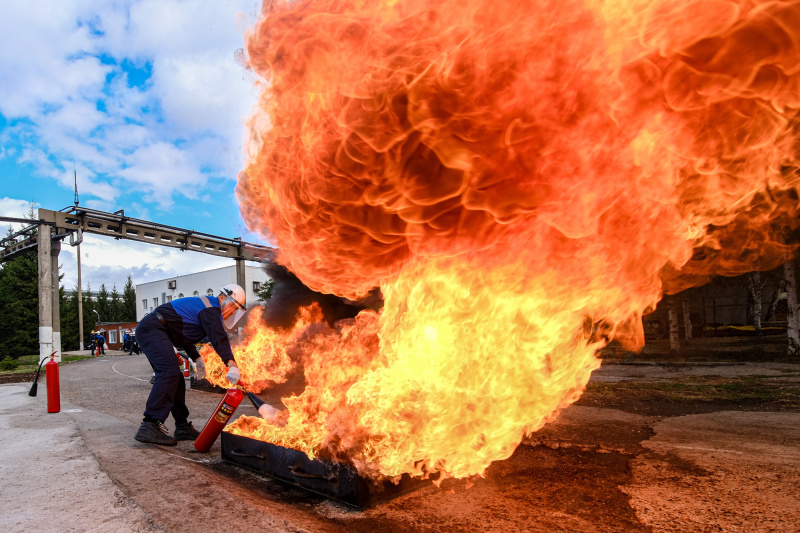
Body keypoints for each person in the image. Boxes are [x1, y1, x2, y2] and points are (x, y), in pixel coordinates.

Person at [134, 284, 247, 446]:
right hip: (152, 329)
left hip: (159, 330)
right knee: (169, 372)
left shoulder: (206, 308)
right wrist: (231, 364)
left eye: (236, 310)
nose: (232, 312)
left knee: (176, 377)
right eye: (233, 306)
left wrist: (196, 359)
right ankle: (149, 424)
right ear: (223, 297)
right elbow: (218, 337)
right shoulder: (210, 308)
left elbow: (183, 336)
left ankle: (181, 427)